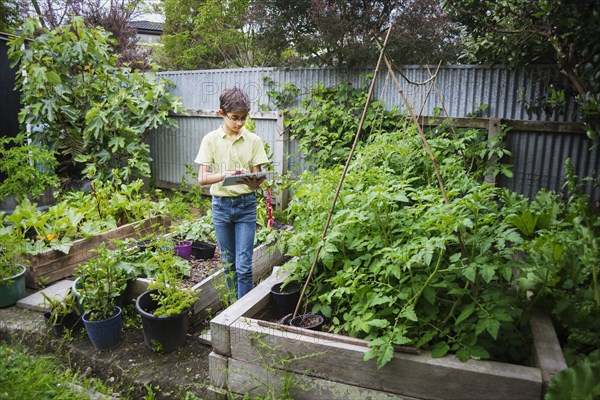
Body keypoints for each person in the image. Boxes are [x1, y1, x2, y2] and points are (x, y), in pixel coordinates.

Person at [195, 87, 269, 299]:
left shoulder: (253, 140)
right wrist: (225, 174)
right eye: (234, 118)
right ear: (221, 114)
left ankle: (242, 314)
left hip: (246, 205)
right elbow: (202, 179)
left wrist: (254, 181)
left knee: (244, 266)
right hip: (221, 206)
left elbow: (258, 182)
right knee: (229, 264)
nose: (239, 123)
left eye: (243, 118)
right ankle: (232, 310)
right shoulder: (210, 140)